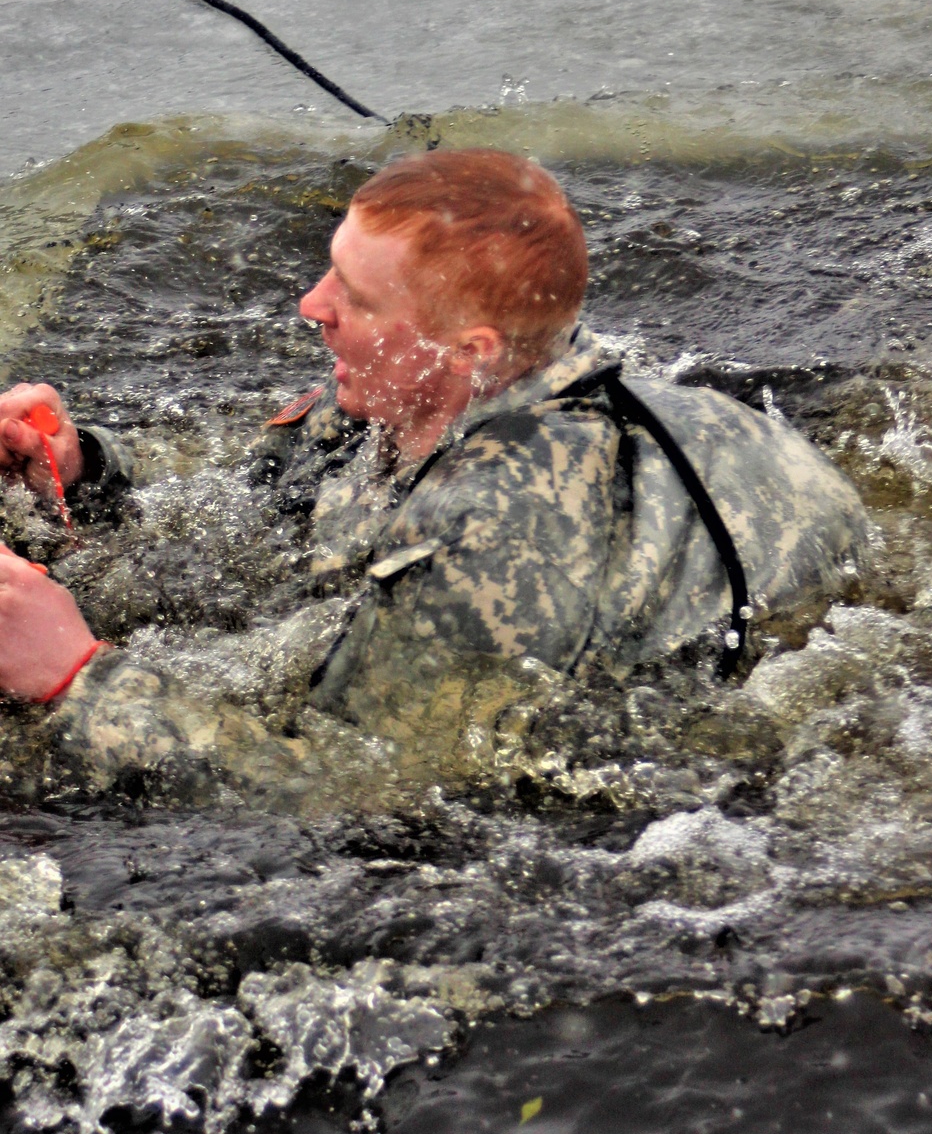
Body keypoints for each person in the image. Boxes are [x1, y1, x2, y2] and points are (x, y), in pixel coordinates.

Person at [0, 149, 867, 808]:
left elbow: (361, 788)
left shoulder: (502, 527)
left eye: (356, 294)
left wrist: (79, 677)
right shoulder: (404, 390)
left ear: (469, 349)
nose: (312, 302)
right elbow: (245, 512)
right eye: (330, 263)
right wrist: (80, 470)